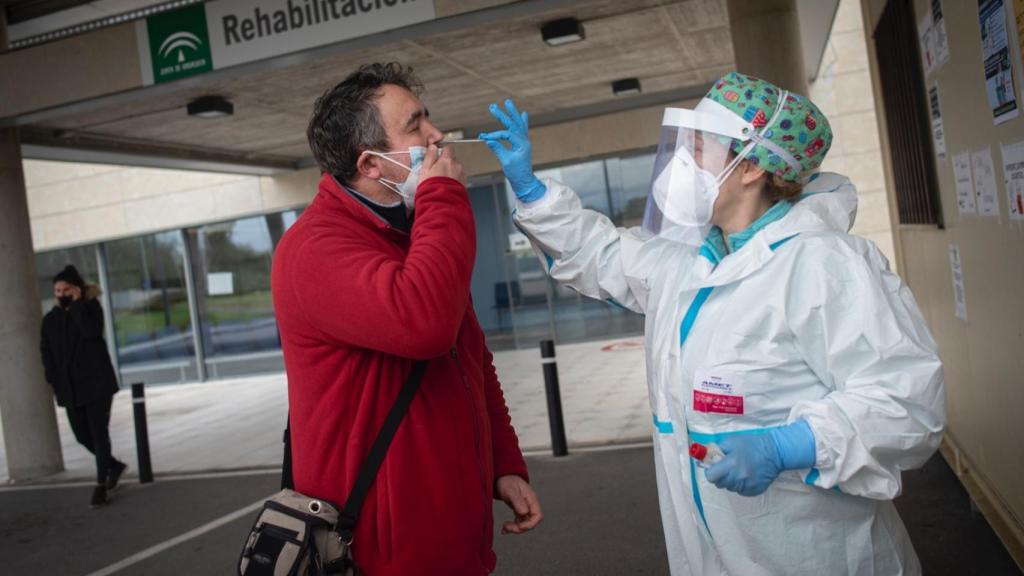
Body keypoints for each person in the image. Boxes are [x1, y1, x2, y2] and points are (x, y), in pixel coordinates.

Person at [480, 72, 945, 575]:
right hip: (709, 546)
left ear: (749, 168)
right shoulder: (687, 260)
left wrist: (791, 444)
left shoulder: (826, 264)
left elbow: (905, 401)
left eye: (698, 148)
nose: (682, 161)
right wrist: (530, 190)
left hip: (814, 551)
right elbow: (602, 254)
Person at [272, 62, 541, 576]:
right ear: (371, 164)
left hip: (450, 532)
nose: (436, 135)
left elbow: (470, 360)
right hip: (383, 548)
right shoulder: (314, 249)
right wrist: (443, 196)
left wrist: (503, 466)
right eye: (416, 124)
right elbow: (425, 325)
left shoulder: (409, 234)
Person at [40, 265, 127, 507]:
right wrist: (52, 379)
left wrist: (78, 305)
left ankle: (100, 485)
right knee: (82, 436)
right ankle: (114, 465)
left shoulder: (90, 309)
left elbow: (91, 333)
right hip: (70, 389)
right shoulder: (50, 320)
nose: (61, 294)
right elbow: (46, 352)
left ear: (76, 289)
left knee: (99, 434)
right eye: (57, 290)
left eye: (66, 289)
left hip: (97, 384)